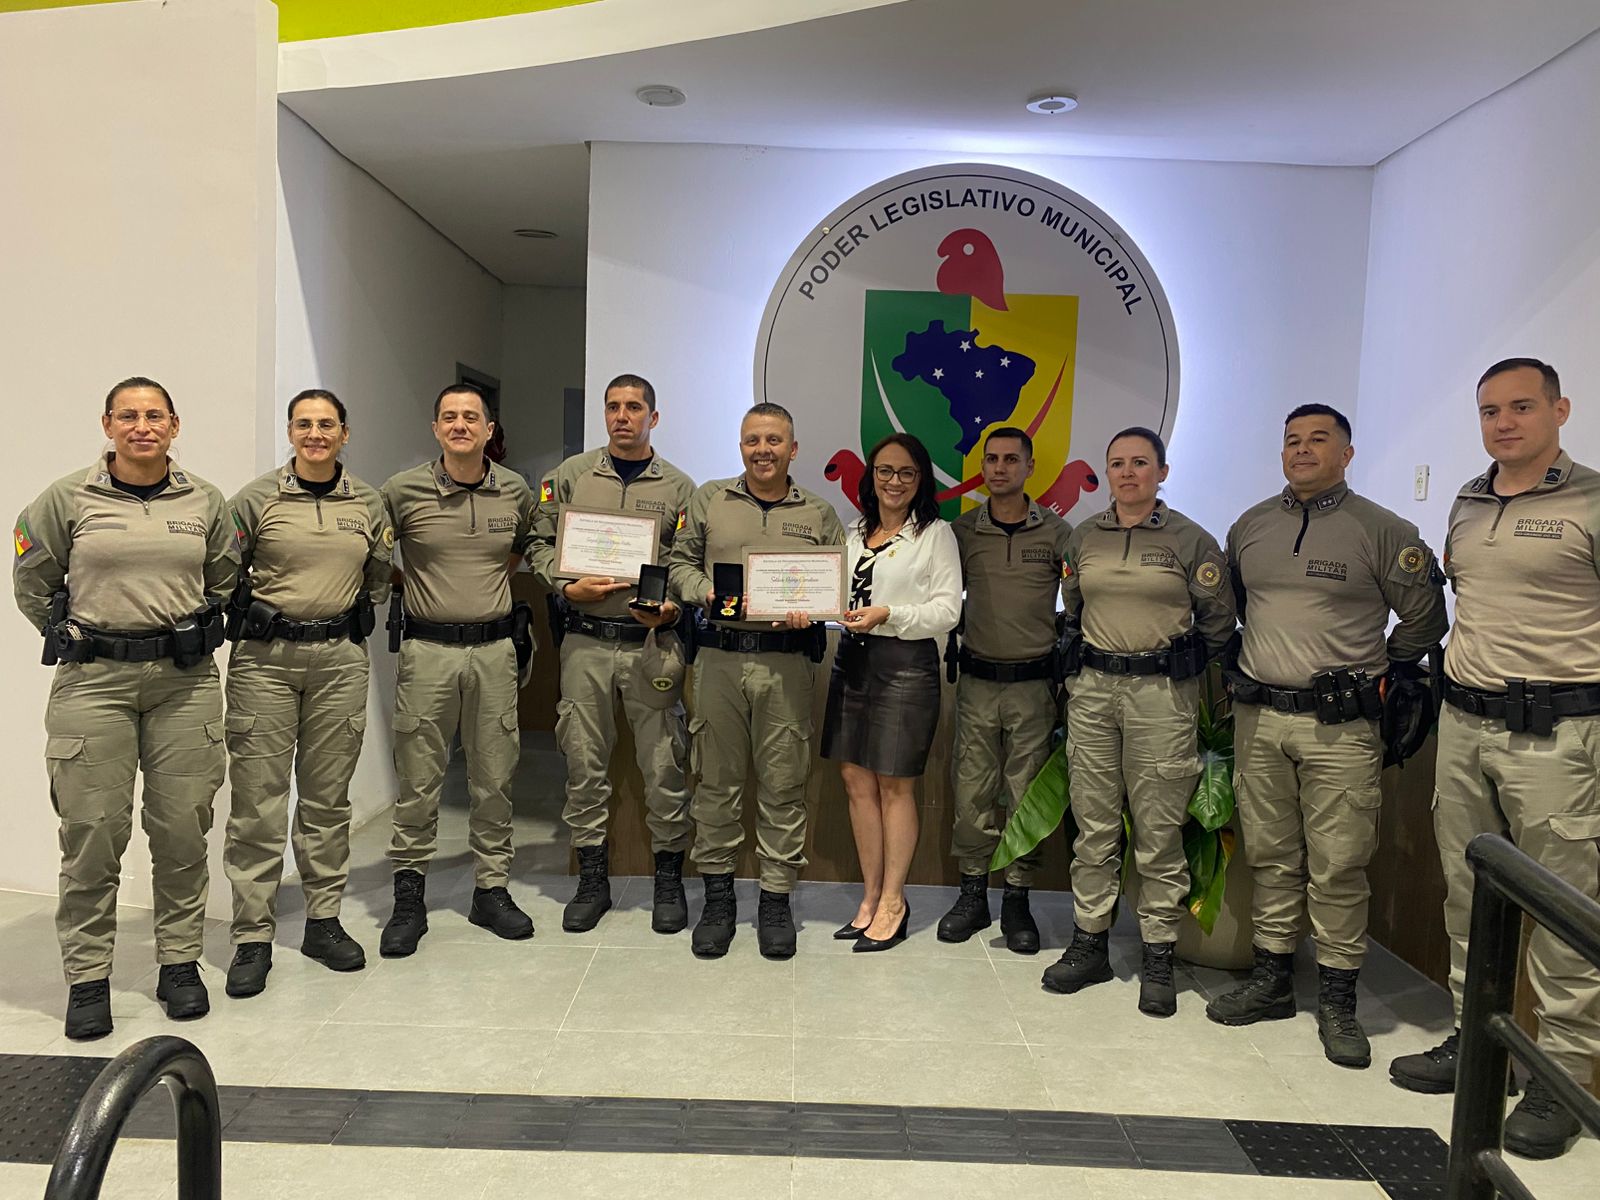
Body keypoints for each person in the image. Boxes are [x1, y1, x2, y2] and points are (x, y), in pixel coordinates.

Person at [1388, 358, 1599, 1160]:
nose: (1503, 422)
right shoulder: (1469, 503)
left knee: (1563, 906)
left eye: (1520, 407)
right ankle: (1478, 1045)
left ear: (1559, 410)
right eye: (1489, 410)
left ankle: (1560, 1077)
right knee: (1469, 897)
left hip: (1557, 733)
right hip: (1465, 723)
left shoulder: (1591, 501)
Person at [1210, 404, 1446, 1067]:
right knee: (1270, 855)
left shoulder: (1382, 530)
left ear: (1346, 453)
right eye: (1292, 440)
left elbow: (1425, 618)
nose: (1303, 449)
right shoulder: (1251, 526)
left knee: (1339, 863)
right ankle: (1272, 980)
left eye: (1319, 439)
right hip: (1260, 717)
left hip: (1340, 726)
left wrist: (1378, 670)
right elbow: (1232, 606)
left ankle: (1339, 1000)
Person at [13, 377, 238, 1038]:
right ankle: (88, 978)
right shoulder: (66, 498)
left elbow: (224, 579)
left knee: (181, 830)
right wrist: (77, 633)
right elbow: (31, 580)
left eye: (155, 415)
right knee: (92, 833)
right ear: (108, 424)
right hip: (94, 683)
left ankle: (179, 964)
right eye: (129, 415)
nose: (143, 426)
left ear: (175, 425)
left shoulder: (205, 500)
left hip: (183, 682)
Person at [1040, 427, 1235, 1014]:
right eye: (1118, 463)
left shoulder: (1191, 540)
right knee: (1094, 824)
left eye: (1141, 463)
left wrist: (1177, 665)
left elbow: (1218, 622)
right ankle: (1090, 942)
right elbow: (1073, 610)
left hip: (1161, 696)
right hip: (1094, 693)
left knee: (1158, 829)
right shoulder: (1083, 538)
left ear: (1162, 472)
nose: (1128, 473)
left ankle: (1158, 954)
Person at [220, 389, 392, 998]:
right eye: (304, 424)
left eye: (326, 424)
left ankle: (323, 921)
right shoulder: (256, 499)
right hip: (265, 662)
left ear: (345, 433)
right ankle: (252, 936)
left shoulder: (367, 501)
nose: (315, 434)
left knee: (326, 800)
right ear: (290, 432)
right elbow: (222, 573)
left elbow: (377, 576)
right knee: (258, 803)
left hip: (340, 660)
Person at [667, 402, 845, 959]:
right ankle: (718, 901)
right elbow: (678, 564)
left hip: (787, 665)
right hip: (718, 660)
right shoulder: (709, 500)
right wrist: (704, 593)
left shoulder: (818, 513)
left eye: (774, 440)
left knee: (783, 784)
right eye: (752, 440)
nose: (762, 450)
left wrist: (813, 612)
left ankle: (775, 900)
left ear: (793, 449)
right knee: (715, 783)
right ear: (740, 445)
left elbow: (835, 585)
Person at [529, 373, 696, 934]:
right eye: (613, 407)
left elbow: (687, 562)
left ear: (654, 417)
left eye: (634, 407)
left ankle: (668, 880)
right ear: (604, 414)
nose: (622, 416)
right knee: (583, 763)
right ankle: (592, 880)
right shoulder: (569, 478)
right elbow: (537, 543)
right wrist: (563, 584)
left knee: (664, 764)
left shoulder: (680, 488)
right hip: (585, 643)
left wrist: (672, 607)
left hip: (651, 645)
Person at [378, 383, 537, 956]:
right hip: (428, 651)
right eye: (449, 417)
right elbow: (373, 554)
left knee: (494, 776)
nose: (460, 425)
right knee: (419, 779)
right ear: (435, 428)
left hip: (494, 651)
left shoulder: (515, 490)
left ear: (489, 430)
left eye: (471, 417)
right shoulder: (402, 491)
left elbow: (523, 547)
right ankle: (408, 898)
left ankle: (490, 890)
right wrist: (415, 584)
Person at [823, 432, 961, 952]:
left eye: (906, 472)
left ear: (921, 479)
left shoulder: (936, 535)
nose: (895, 481)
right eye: (885, 470)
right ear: (871, 476)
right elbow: (832, 592)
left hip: (905, 667)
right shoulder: (854, 530)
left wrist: (890, 615)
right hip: (852, 662)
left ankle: (894, 902)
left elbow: (948, 611)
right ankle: (869, 897)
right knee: (856, 780)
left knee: (894, 785)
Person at [940, 427, 1072, 954]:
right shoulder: (962, 532)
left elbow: (1080, 601)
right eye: (991, 459)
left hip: (1034, 686)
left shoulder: (1058, 533)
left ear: (1029, 466)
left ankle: (1017, 898)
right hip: (976, 680)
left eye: (1011, 459)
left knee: (1025, 795)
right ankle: (972, 894)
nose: (1000, 468)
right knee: (971, 789)